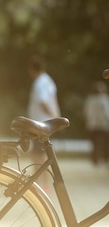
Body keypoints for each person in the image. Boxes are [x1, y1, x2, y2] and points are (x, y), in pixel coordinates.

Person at [27, 55, 61, 189]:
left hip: (39, 123)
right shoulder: (49, 80)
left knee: (37, 155)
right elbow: (53, 100)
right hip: (46, 122)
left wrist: (52, 114)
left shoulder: (39, 82)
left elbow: (42, 101)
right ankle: (43, 184)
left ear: (32, 69)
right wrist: (56, 116)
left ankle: (38, 184)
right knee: (43, 155)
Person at [84, 81, 109, 167]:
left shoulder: (90, 99)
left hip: (93, 124)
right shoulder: (105, 99)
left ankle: (96, 159)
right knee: (105, 143)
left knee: (95, 143)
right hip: (104, 124)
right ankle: (106, 159)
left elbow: (87, 112)